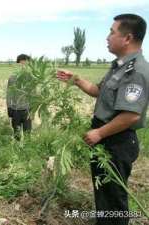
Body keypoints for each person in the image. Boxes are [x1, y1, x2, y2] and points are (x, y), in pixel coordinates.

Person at [57, 14, 149, 225]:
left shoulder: (136, 71)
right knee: (104, 195)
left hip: (116, 140)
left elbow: (131, 115)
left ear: (127, 38)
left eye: (111, 32)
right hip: (106, 137)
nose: (107, 37)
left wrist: (99, 133)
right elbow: (98, 91)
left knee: (113, 199)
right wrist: (76, 80)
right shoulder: (119, 66)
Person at [6, 54, 32, 140]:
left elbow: (34, 93)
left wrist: (33, 109)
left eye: (26, 64)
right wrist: (9, 107)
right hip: (15, 110)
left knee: (28, 133)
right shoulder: (12, 78)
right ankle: (17, 150)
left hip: (27, 110)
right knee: (17, 134)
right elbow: (9, 93)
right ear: (18, 64)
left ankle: (28, 150)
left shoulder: (30, 77)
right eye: (21, 64)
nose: (23, 66)